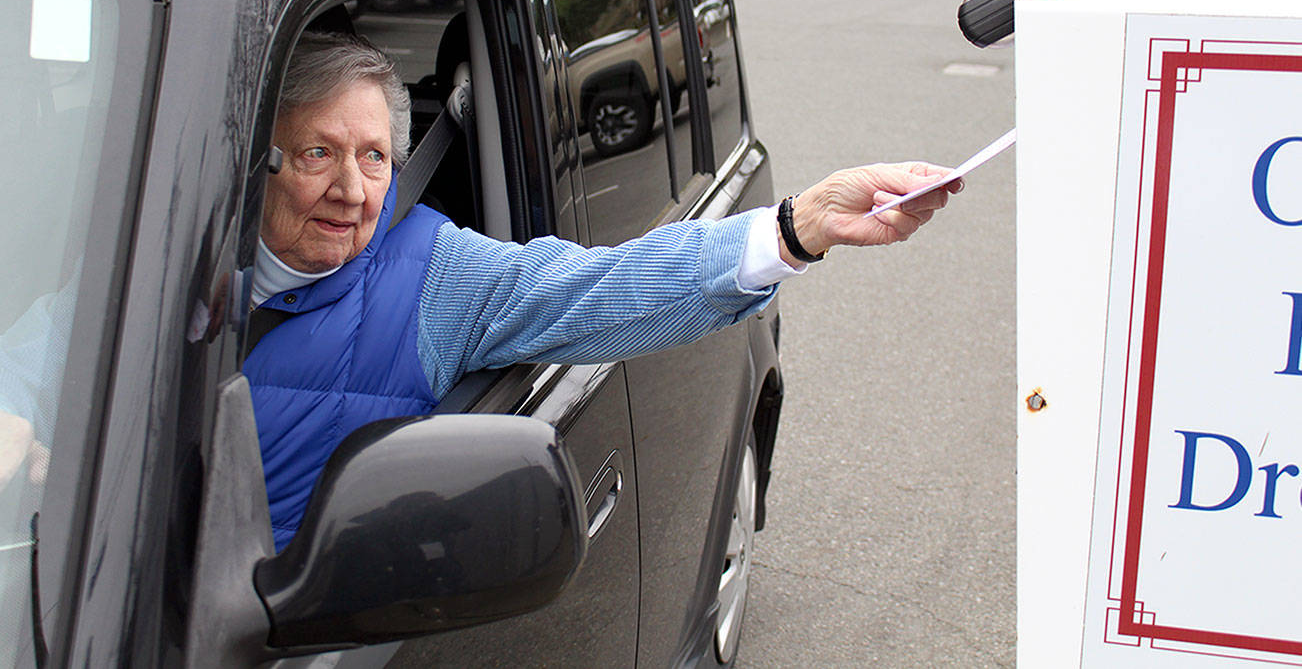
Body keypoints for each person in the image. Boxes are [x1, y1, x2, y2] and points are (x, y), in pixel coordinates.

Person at [245, 32, 962, 550]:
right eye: (318, 153)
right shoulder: (159, 255)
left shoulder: (433, 273)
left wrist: (795, 227)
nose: (350, 189)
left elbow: (602, 286)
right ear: (257, 162)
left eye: (374, 158)